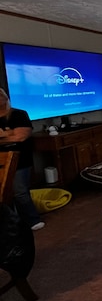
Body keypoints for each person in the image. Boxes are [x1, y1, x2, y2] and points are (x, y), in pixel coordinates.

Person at [0, 88, 44, 231]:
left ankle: (32, 221)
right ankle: (12, 224)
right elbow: (15, 135)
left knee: (20, 191)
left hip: (20, 161)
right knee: (4, 194)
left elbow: (21, 137)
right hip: (1, 161)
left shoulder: (19, 114)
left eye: (1, 94)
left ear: (6, 97)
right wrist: (10, 133)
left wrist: (4, 135)